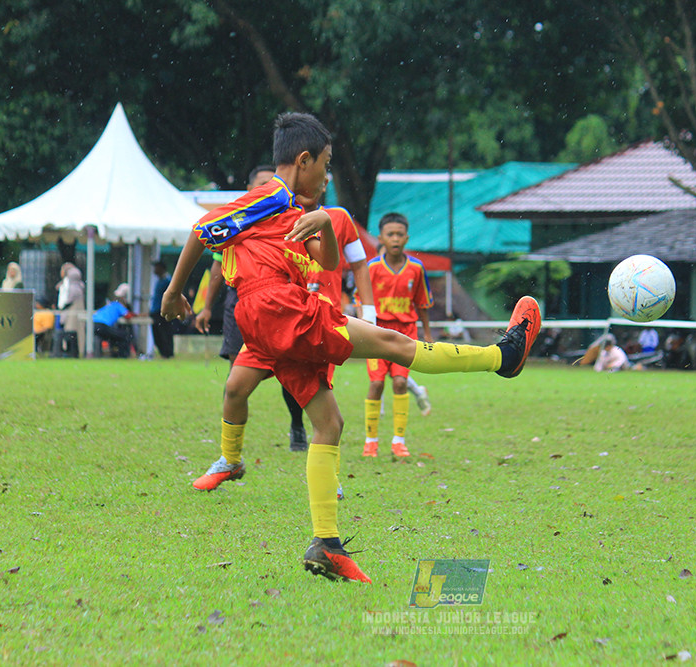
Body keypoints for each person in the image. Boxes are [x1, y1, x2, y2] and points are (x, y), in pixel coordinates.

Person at [161, 112, 541, 584]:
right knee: (394, 344)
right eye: (325, 165)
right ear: (303, 161)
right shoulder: (271, 195)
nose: (326, 176)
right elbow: (202, 229)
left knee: (329, 424)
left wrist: (325, 222)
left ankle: (326, 544)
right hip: (279, 308)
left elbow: (328, 262)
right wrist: (174, 292)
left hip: (264, 323)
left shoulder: (289, 214)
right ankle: (502, 357)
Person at [195, 165, 377, 453]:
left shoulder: (336, 218)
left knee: (320, 395)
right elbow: (211, 250)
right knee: (236, 383)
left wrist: (369, 312)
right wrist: (205, 304)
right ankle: (230, 457)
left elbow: (356, 264)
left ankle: (307, 439)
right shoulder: (255, 217)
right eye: (262, 185)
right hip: (267, 310)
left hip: (317, 314)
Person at [363, 212, 433, 458]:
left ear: (407, 238)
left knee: (401, 382)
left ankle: (398, 441)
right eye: (390, 234)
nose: (395, 238)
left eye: (399, 234)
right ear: (381, 238)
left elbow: (422, 303)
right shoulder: (372, 268)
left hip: (405, 333)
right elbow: (361, 300)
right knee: (376, 383)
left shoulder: (416, 268)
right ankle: (371, 441)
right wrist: (365, 327)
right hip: (377, 334)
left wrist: (427, 333)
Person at [92, 283, 135, 357]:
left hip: (93, 324)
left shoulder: (109, 305)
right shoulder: (118, 305)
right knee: (124, 336)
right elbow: (128, 316)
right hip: (102, 325)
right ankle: (123, 356)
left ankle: (109, 354)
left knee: (113, 336)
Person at [56, 263, 86, 357]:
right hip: (72, 312)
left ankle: (72, 352)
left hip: (72, 313)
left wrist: (63, 306)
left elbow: (68, 299)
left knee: (71, 332)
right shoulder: (79, 285)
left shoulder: (73, 287)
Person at [150, 261, 174, 358]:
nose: (154, 270)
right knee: (157, 333)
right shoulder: (159, 281)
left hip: (163, 311)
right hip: (155, 311)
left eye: (156, 267)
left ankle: (168, 353)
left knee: (165, 333)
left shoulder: (167, 281)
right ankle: (163, 353)